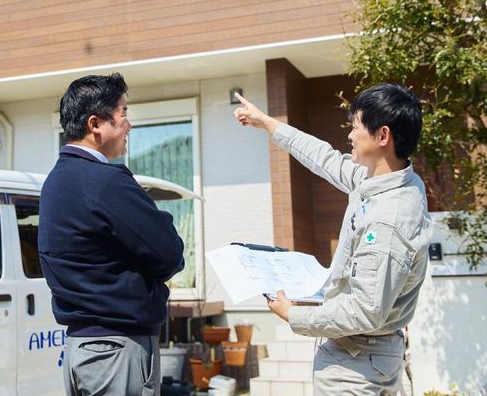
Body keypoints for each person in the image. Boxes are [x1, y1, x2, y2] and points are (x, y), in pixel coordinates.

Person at [233, 83, 432, 395]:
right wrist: (267, 122)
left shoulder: (387, 219)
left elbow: (365, 310)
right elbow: (324, 158)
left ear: (382, 136)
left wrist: (293, 314)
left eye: (355, 127)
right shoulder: (386, 179)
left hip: (357, 366)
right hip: (365, 357)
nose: (349, 136)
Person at [39, 72, 185, 396]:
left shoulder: (54, 183)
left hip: (80, 348)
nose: (128, 125)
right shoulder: (104, 181)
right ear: (95, 124)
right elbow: (170, 254)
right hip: (118, 349)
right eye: (123, 113)